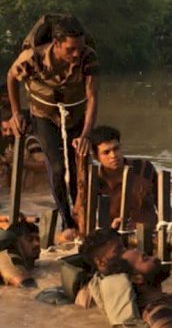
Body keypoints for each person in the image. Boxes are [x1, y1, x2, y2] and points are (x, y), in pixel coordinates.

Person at [6, 14, 98, 230]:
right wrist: (16, 113)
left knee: (78, 166)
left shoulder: (88, 57)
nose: (76, 54)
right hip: (44, 114)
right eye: (70, 49)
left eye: (80, 48)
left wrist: (85, 134)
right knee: (57, 167)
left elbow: (93, 97)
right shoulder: (33, 58)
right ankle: (67, 223)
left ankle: (82, 218)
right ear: (56, 44)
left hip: (76, 114)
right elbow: (11, 78)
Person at [77, 228, 172, 328]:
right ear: (136, 278)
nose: (156, 258)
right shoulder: (158, 311)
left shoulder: (165, 299)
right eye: (146, 258)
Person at [89, 125, 159, 231]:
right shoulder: (94, 182)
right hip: (116, 237)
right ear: (96, 156)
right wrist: (111, 229)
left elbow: (163, 205)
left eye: (116, 149)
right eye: (106, 152)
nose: (113, 155)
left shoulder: (144, 168)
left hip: (152, 234)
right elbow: (85, 219)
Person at [0, 103, 47, 191]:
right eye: (5, 130)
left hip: (39, 194)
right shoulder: (9, 147)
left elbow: (44, 166)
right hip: (25, 195)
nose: (8, 133)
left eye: (11, 129)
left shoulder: (30, 141)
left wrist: (18, 161)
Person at [0, 220, 40, 287]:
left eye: (38, 239)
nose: (37, 244)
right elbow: (28, 288)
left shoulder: (27, 260)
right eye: (30, 239)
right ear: (17, 242)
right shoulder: (9, 256)